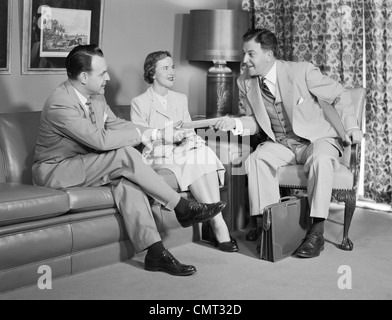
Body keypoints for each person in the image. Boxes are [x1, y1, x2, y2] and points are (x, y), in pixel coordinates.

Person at [32, 44, 227, 276]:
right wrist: (152, 136)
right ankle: (183, 207)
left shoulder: (96, 97)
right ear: (84, 77)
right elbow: (100, 140)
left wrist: (157, 132)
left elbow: (119, 125)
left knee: (129, 182)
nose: (108, 77)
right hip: (58, 170)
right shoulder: (59, 102)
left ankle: (155, 252)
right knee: (124, 154)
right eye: (102, 73)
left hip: (89, 162)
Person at [213, 28, 363, 258]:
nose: (244, 60)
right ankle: (272, 227)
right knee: (257, 159)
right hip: (283, 144)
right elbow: (255, 121)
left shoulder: (301, 71)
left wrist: (352, 126)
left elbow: (340, 94)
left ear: (268, 54)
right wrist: (235, 125)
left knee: (321, 160)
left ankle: (316, 232)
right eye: (244, 53)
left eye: (250, 54)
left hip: (317, 140)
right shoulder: (244, 82)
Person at [130, 51, 238, 252]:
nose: (172, 72)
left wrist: (188, 138)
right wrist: (169, 136)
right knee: (194, 157)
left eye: (172, 67)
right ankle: (218, 225)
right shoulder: (140, 102)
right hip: (158, 154)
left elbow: (188, 129)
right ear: (152, 73)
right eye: (165, 68)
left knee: (202, 153)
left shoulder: (180, 98)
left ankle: (215, 221)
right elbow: (141, 137)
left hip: (182, 149)